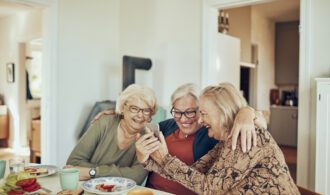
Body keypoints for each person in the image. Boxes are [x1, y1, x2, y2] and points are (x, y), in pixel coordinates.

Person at [138, 83, 299, 194]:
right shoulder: (226, 143)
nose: (200, 120)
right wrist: (148, 161)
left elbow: (209, 189)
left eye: (204, 113)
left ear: (222, 112)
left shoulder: (248, 137)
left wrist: (165, 159)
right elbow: (193, 172)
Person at [65, 84, 157, 185]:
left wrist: (92, 172)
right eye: (134, 108)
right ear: (122, 108)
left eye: (146, 110)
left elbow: (136, 178)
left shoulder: (148, 138)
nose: (140, 115)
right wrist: (121, 173)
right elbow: (73, 164)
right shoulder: (105, 122)